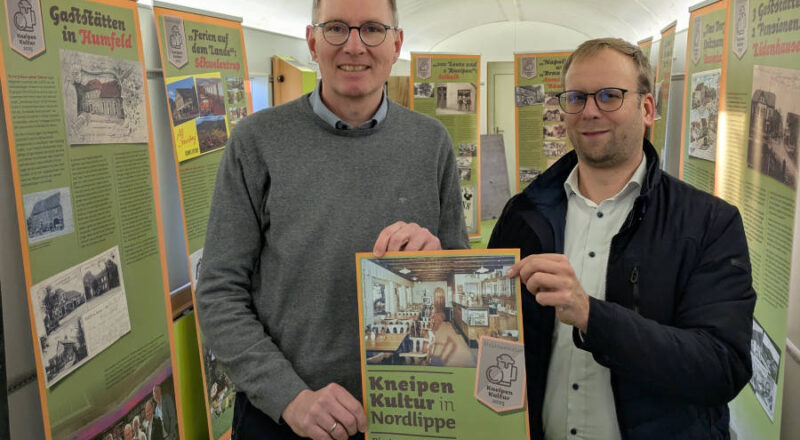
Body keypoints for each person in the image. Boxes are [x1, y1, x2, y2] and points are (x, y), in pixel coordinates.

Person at [195, 0, 469, 439]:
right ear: (312, 42)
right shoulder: (256, 141)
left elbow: (462, 274)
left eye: (373, 30)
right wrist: (290, 398)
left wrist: (438, 262)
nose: (355, 46)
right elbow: (217, 291)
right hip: (283, 419)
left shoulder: (431, 142)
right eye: (337, 28)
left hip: (410, 413)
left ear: (396, 44)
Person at [489, 38, 755, 439]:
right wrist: (438, 268)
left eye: (610, 96)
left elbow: (721, 366)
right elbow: (489, 332)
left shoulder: (709, 223)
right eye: (576, 97)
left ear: (646, 109)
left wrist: (593, 317)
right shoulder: (524, 215)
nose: (590, 111)